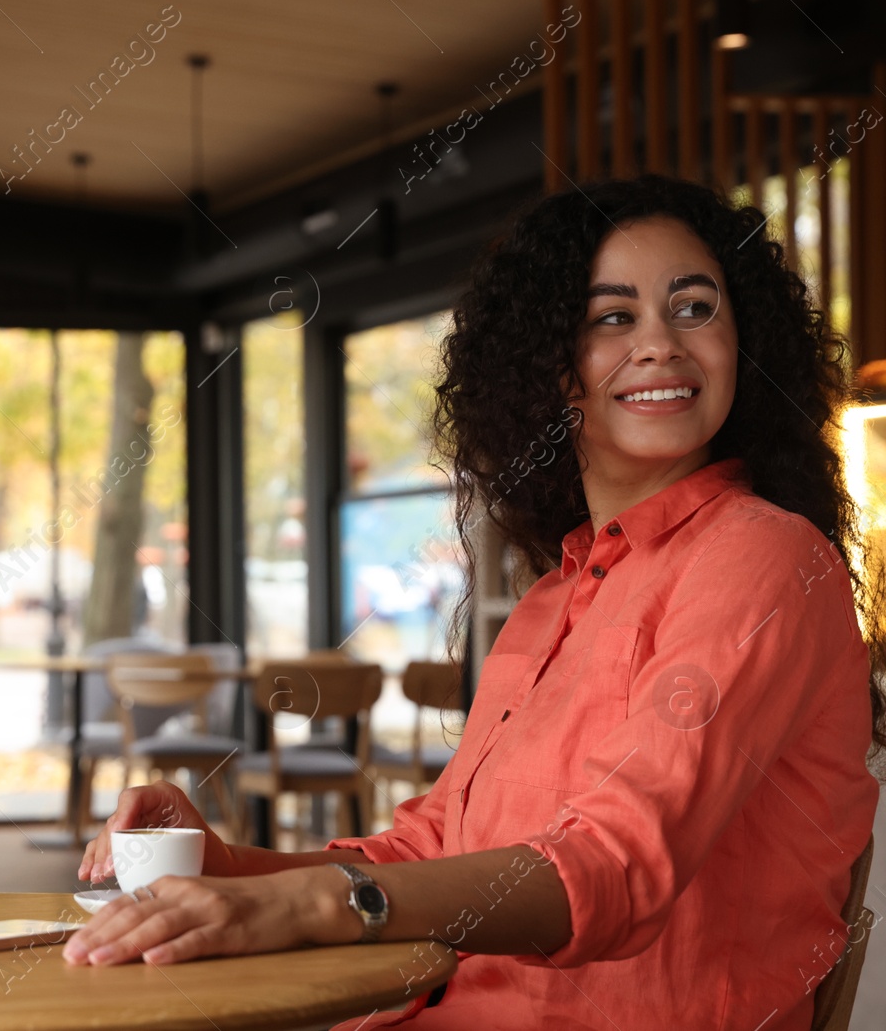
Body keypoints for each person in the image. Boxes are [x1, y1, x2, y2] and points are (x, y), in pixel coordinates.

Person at [65, 174, 885, 1030]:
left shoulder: (763, 556)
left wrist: (312, 906)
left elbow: (616, 864)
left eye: (695, 308)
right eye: (612, 317)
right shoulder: (556, 598)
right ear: (547, 367)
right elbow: (435, 847)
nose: (660, 345)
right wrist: (225, 867)